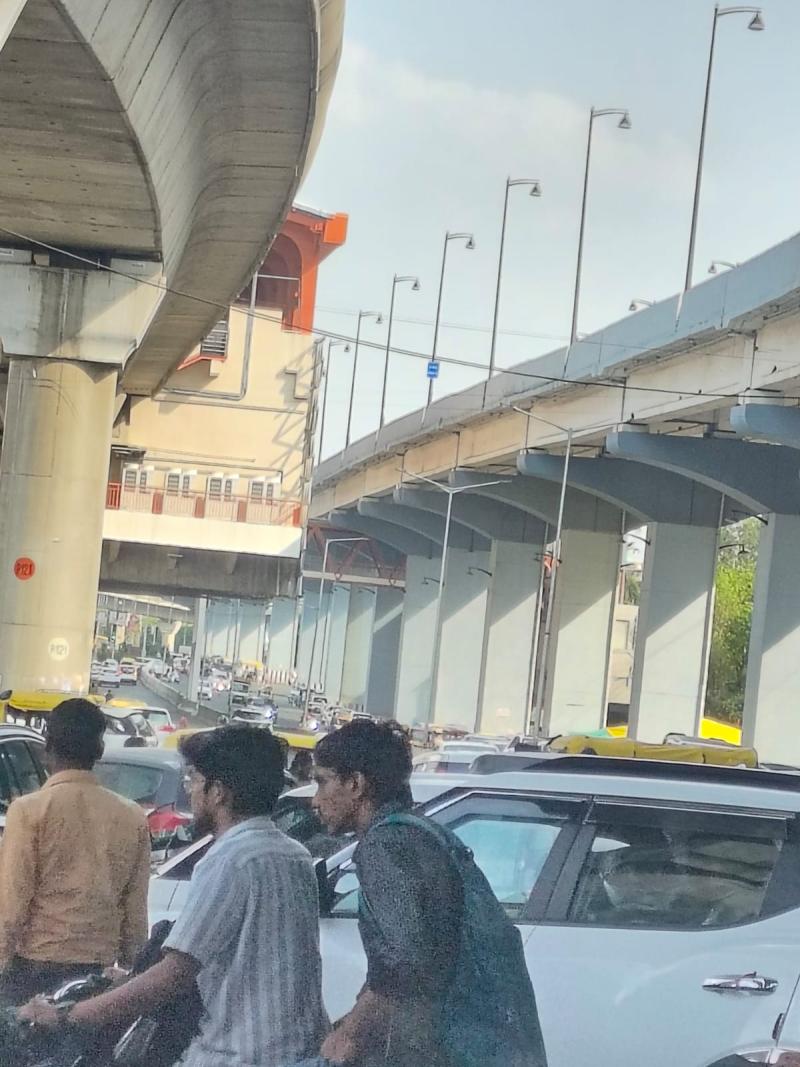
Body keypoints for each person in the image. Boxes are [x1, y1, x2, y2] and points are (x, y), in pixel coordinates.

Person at [20, 725, 330, 1067]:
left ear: (218, 792)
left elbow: (173, 975)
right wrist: (129, 978)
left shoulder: (230, 859)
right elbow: (249, 962)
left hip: (237, 1054)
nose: (190, 789)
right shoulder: (295, 855)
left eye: (194, 779)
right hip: (301, 1052)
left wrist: (68, 1015)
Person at [312, 720, 547, 1067]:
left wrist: (349, 1034)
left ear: (356, 784)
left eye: (322, 782)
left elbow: (402, 964)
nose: (315, 800)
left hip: (444, 1048)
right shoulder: (424, 833)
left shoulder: (385, 845)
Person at [0, 698, 151, 1005]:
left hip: (33, 973)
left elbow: (11, 904)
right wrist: (131, 975)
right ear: (99, 750)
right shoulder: (132, 816)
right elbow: (135, 912)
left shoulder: (28, 811)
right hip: (98, 976)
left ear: (47, 748)